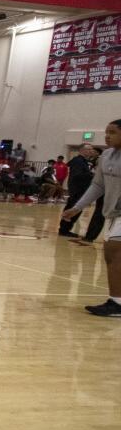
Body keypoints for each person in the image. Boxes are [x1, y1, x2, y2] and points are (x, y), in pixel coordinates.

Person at [61, 120, 121, 316]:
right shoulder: (106, 156)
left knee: (115, 253)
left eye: (112, 132)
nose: (107, 136)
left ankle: (117, 303)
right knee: (110, 255)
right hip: (112, 213)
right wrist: (77, 208)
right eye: (106, 132)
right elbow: (98, 186)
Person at [60, 145, 99, 238]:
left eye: (91, 149)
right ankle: (64, 230)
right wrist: (92, 175)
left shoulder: (83, 161)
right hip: (77, 189)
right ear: (82, 150)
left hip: (80, 189)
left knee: (75, 209)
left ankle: (66, 229)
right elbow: (78, 176)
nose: (91, 151)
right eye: (89, 149)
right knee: (72, 209)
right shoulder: (78, 161)